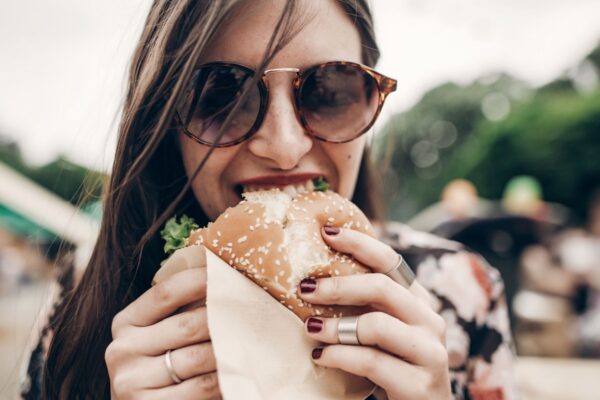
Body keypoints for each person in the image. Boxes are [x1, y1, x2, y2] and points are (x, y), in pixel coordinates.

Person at [20, 1, 517, 399]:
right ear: (163, 121)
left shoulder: (463, 292)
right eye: (221, 96)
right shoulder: (82, 297)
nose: (283, 147)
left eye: (330, 90)